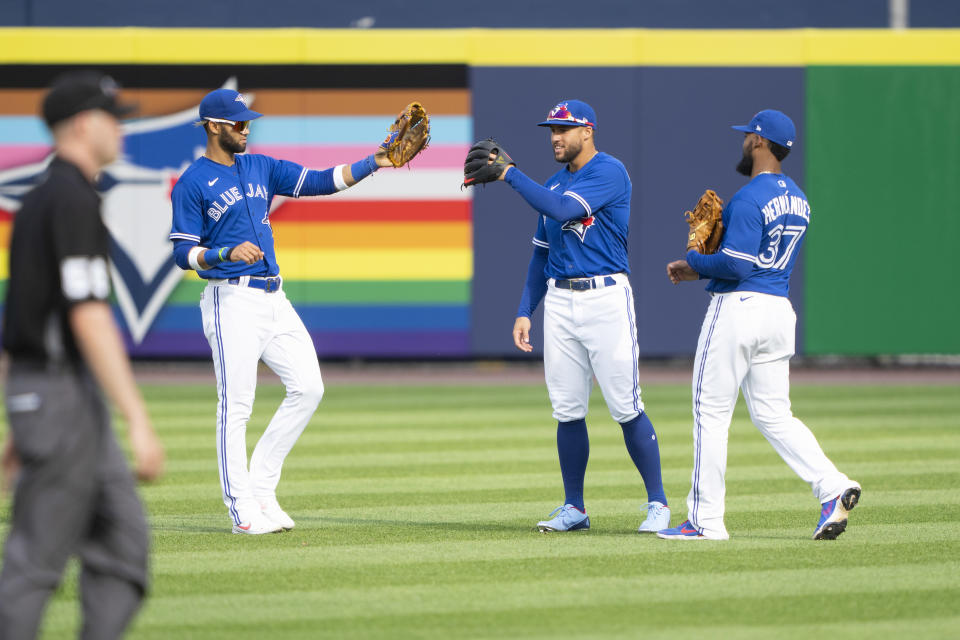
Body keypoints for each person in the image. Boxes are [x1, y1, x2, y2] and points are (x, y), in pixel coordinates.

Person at [169, 89, 400, 535]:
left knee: (309, 388)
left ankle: (262, 488)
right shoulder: (193, 182)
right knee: (235, 407)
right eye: (237, 122)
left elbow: (320, 180)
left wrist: (375, 162)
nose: (246, 127)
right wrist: (222, 254)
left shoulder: (261, 166)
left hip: (274, 297)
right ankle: (241, 511)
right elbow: (183, 253)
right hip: (229, 299)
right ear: (214, 127)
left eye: (247, 120)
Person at [0, 71, 165, 640]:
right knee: (34, 563)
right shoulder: (67, 198)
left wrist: (23, 422)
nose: (121, 126)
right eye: (112, 116)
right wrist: (137, 418)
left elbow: (21, 317)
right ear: (81, 124)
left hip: (60, 397)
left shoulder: (50, 197)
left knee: (123, 546)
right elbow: (87, 316)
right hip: (60, 395)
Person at [658, 109, 861, 541]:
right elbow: (751, 264)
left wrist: (694, 258)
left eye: (749, 134)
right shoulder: (801, 200)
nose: (745, 140)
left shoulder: (749, 198)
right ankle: (833, 486)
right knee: (774, 414)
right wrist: (698, 271)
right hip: (776, 310)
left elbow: (735, 264)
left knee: (710, 413)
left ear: (760, 142)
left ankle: (704, 521)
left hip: (739, 311)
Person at [483, 99, 670, 533]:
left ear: (588, 131)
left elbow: (565, 210)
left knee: (626, 405)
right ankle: (575, 508)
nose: (555, 137)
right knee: (567, 410)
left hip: (606, 298)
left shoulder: (609, 171)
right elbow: (540, 255)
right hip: (560, 301)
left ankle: (658, 503)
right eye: (551, 130)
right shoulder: (551, 184)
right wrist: (524, 311)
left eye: (564, 129)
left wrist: (509, 173)